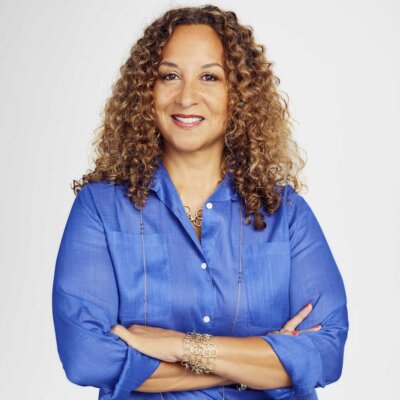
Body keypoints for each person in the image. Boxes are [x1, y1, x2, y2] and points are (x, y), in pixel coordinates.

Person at [52, 4, 349, 400]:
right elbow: (87, 357)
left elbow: (326, 355)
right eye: (169, 76)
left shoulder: (288, 214)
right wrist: (264, 360)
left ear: (238, 95)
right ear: (145, 92)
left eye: (210, 77)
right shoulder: (100, 209)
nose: (187, 96)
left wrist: (181, 346)